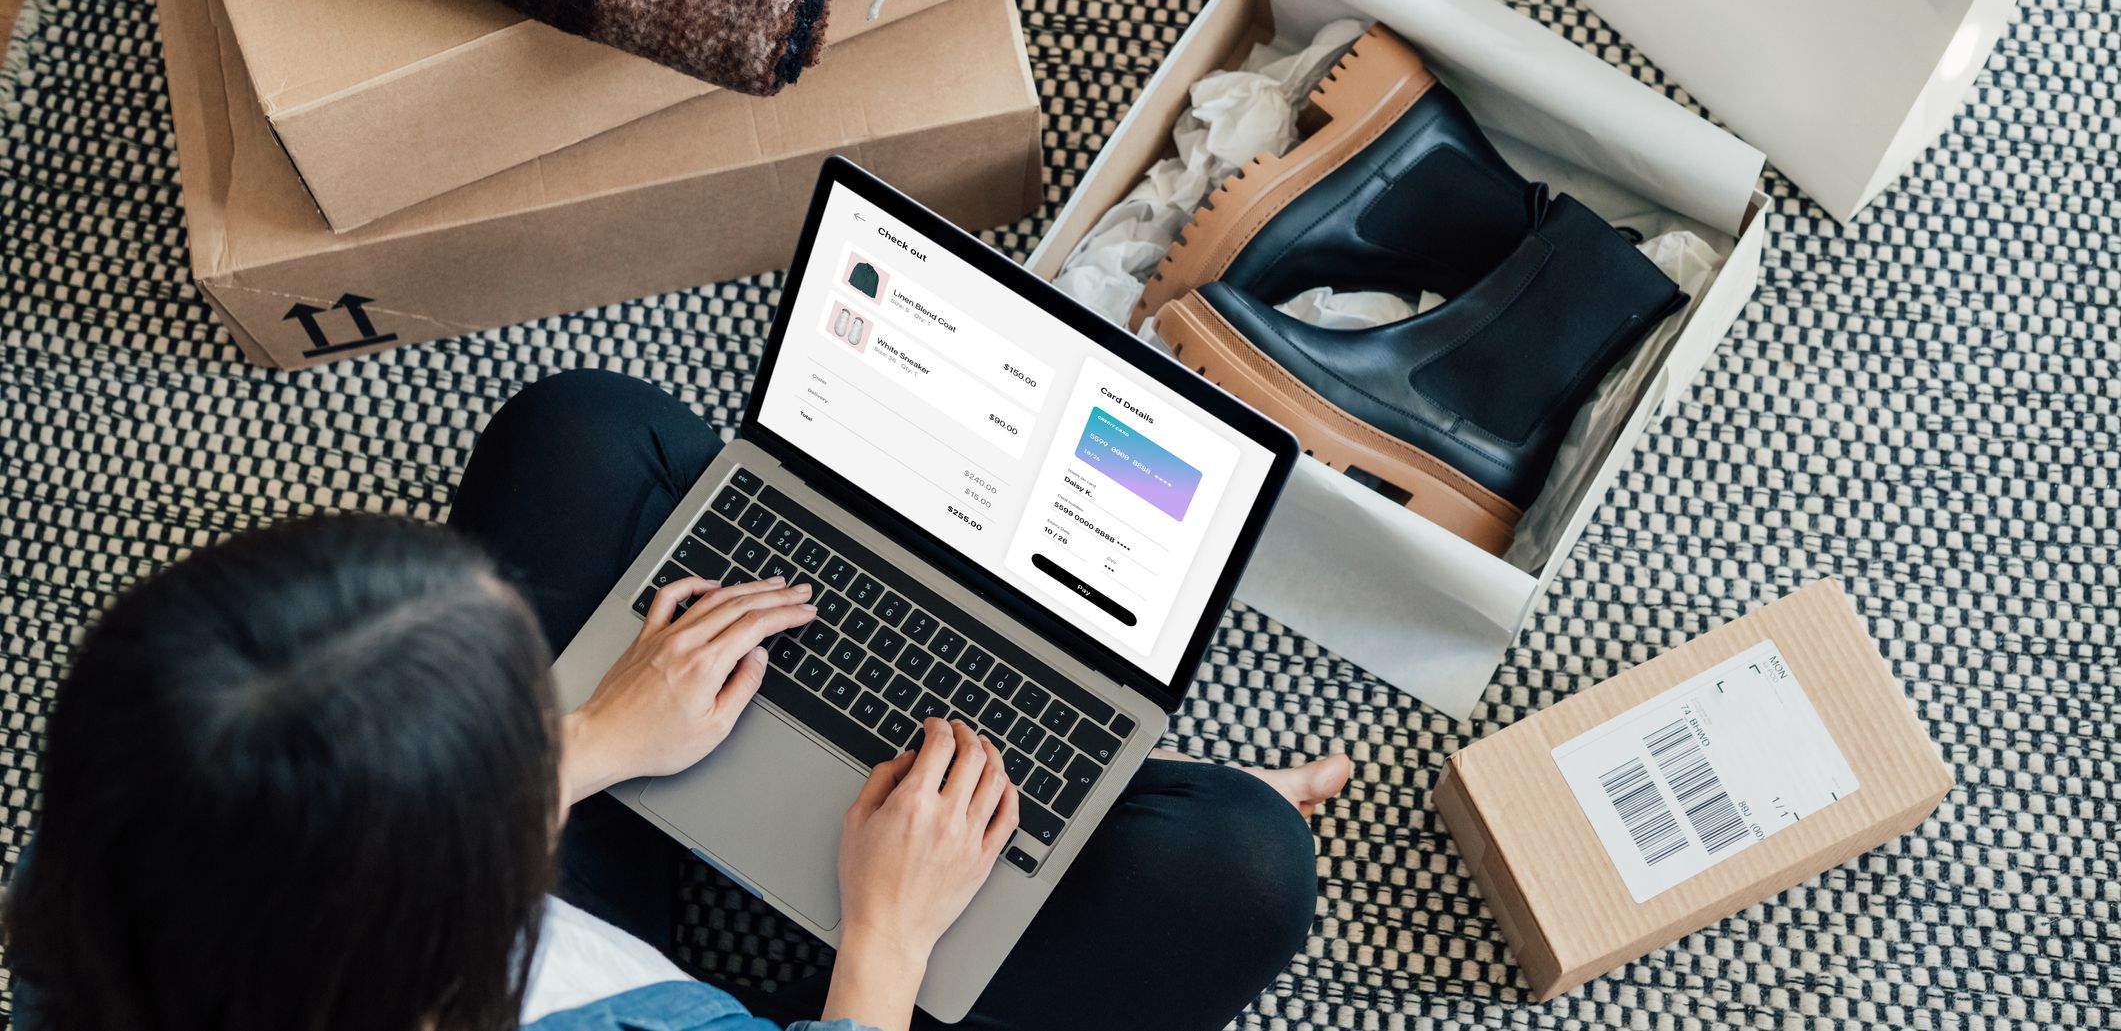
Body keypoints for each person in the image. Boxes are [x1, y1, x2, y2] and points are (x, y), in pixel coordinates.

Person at [5, 370, 1351, 1031]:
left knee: (582, 430)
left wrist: (599, 735)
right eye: (524, 728)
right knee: (1238, 865)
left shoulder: (126, 872)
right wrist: (882, 939)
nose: (555, 701)